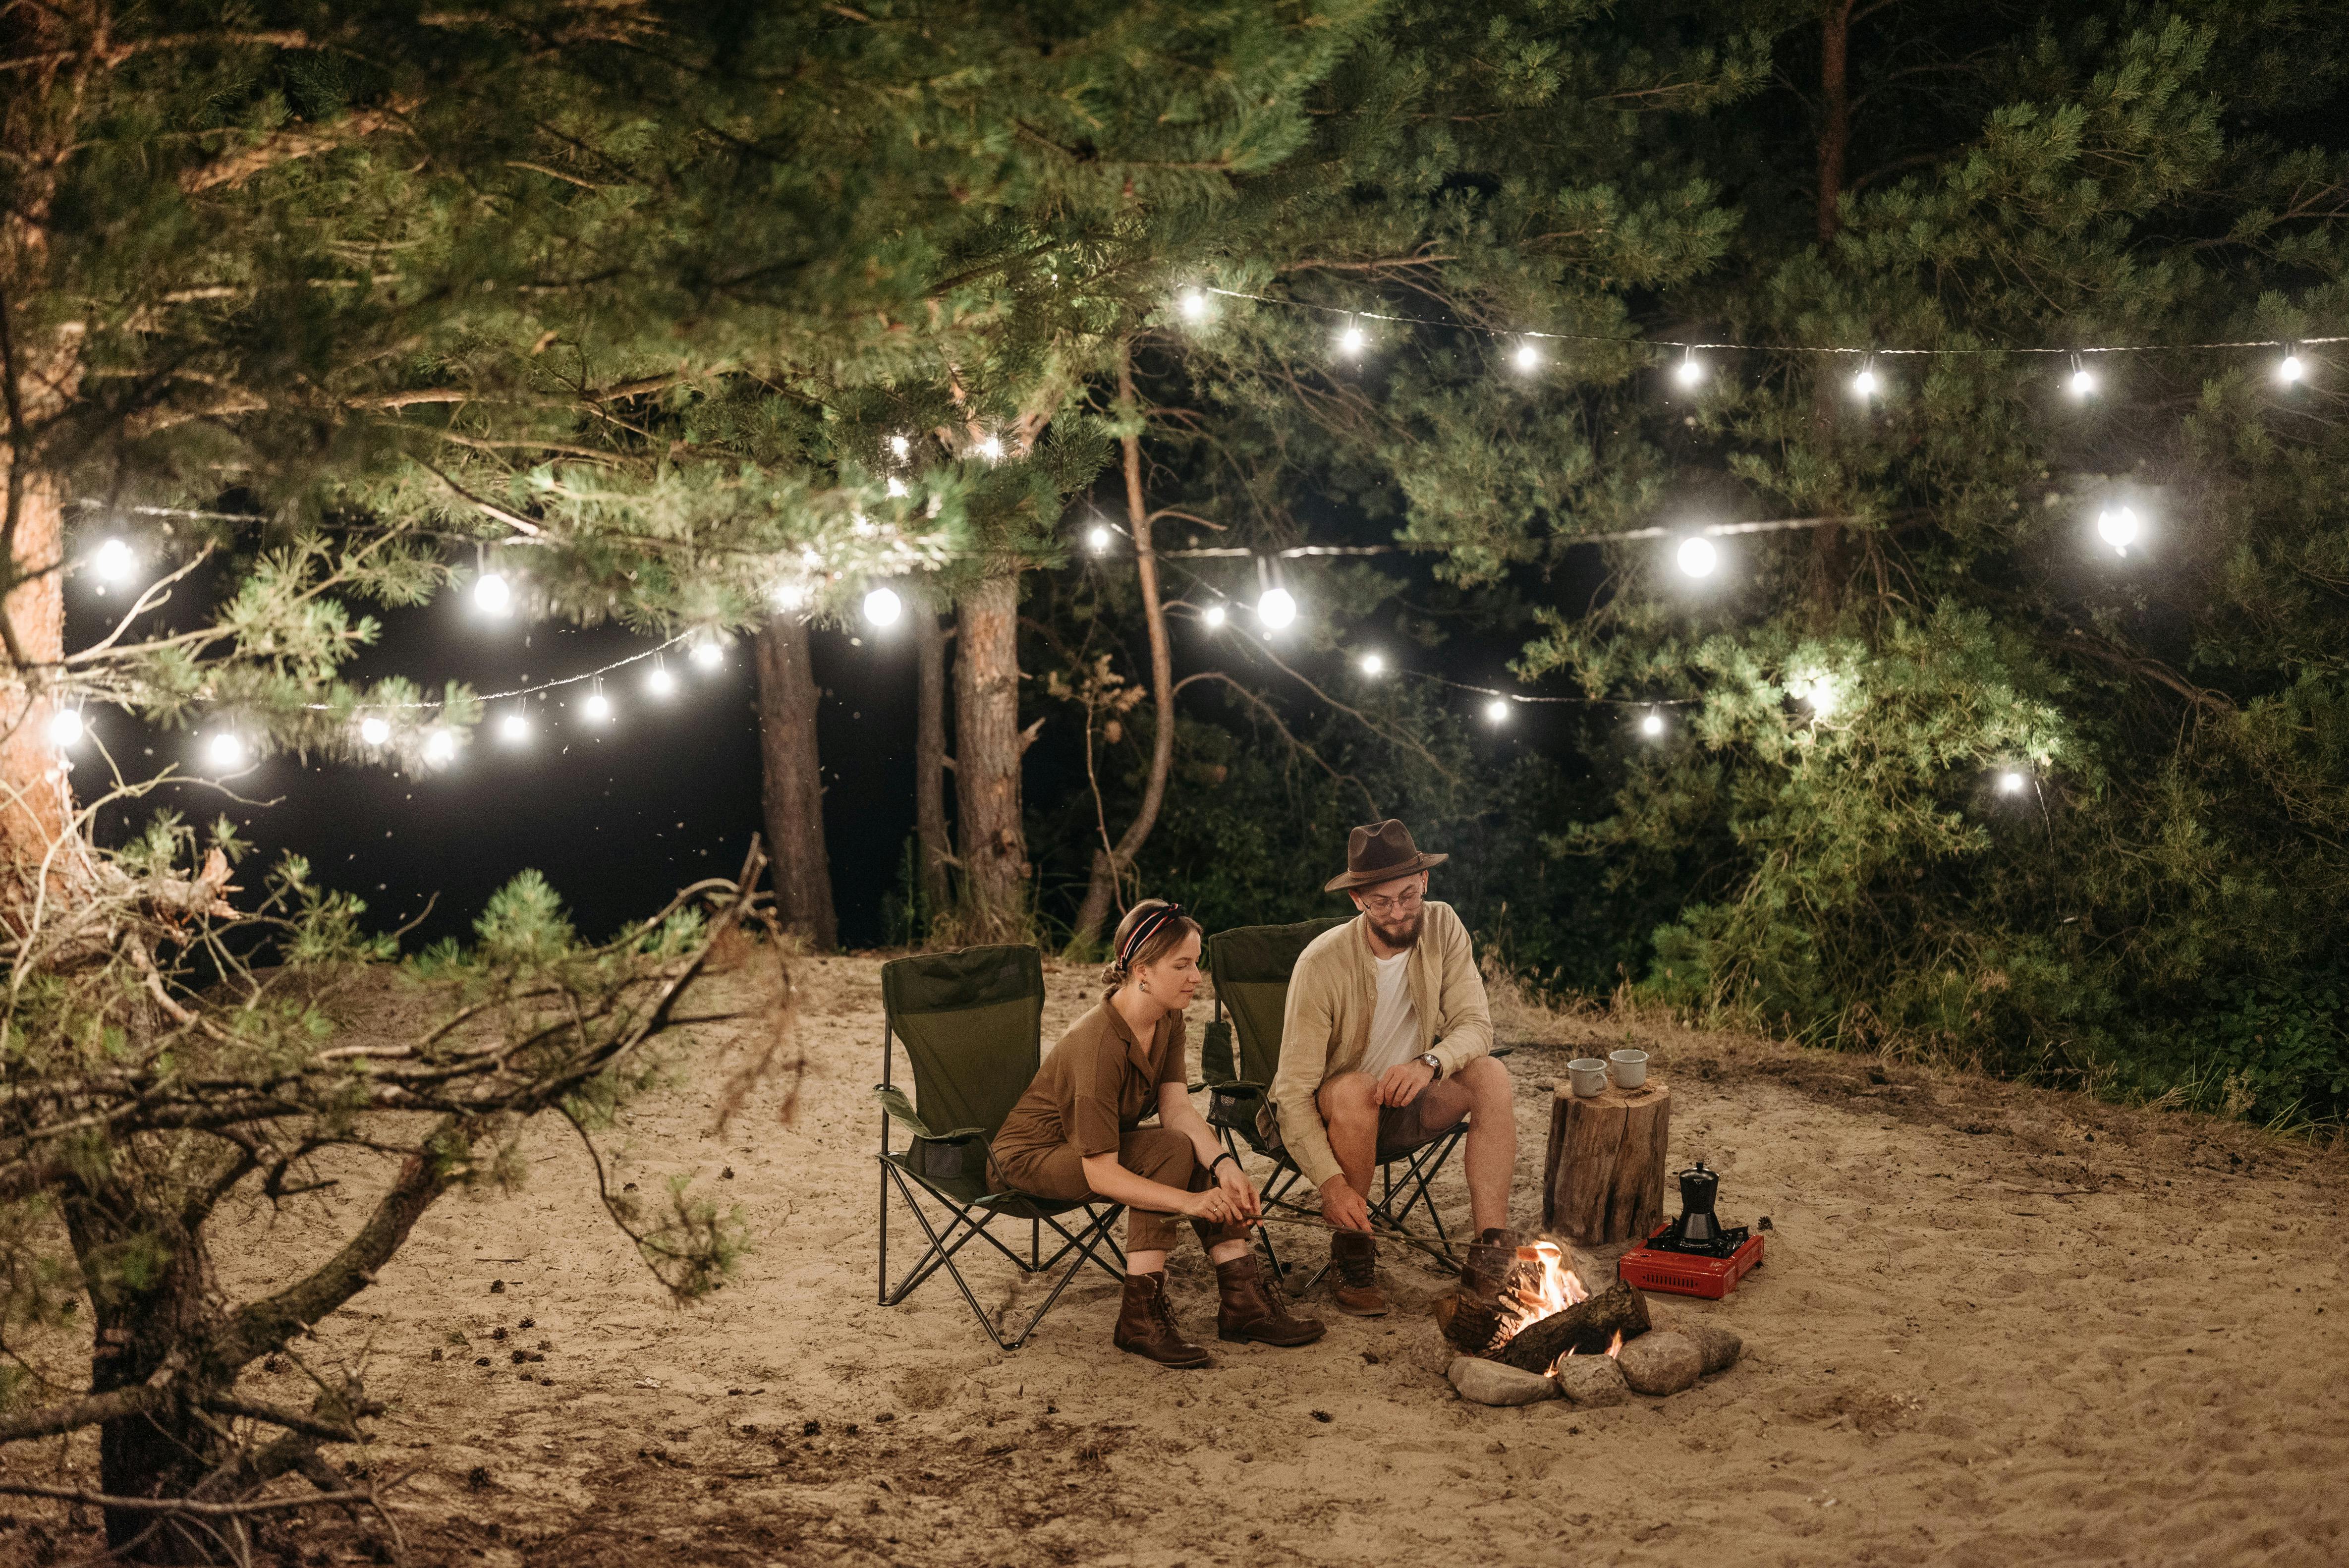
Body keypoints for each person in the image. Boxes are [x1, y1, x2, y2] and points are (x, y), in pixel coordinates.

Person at [990, 900, 1324, 1366]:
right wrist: (1191, 1203)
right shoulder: (1097, 1044)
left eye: (1197, 963)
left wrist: (1227, 1167)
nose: (1196, 977)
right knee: (1167, 1152)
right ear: (1142, 970)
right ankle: (1139, 1320)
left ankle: (1243, 1301)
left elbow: (1177, 1109)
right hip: (1029, 1160)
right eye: (1182, 965)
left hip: (1087, 1147)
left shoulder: (1166, 1019)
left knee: (1183, 1146)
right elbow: (1102, 1174)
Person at [1261, 819, 1516, 1315]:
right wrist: (1330, 1183)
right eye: (1382, 901)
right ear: (1358, 899)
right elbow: (1290, 1093)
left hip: (1406, 1105)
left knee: (1491, 1075)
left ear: (1424, 883)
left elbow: (1475, 1026)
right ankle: (1352, 1254)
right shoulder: (1322, 963)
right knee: (1357, 1089)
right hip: (1337, 1117)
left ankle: (1491, 1254)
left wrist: (1431, 1061)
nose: (1398, 912)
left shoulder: (1442, 924)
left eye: (1407, 895)